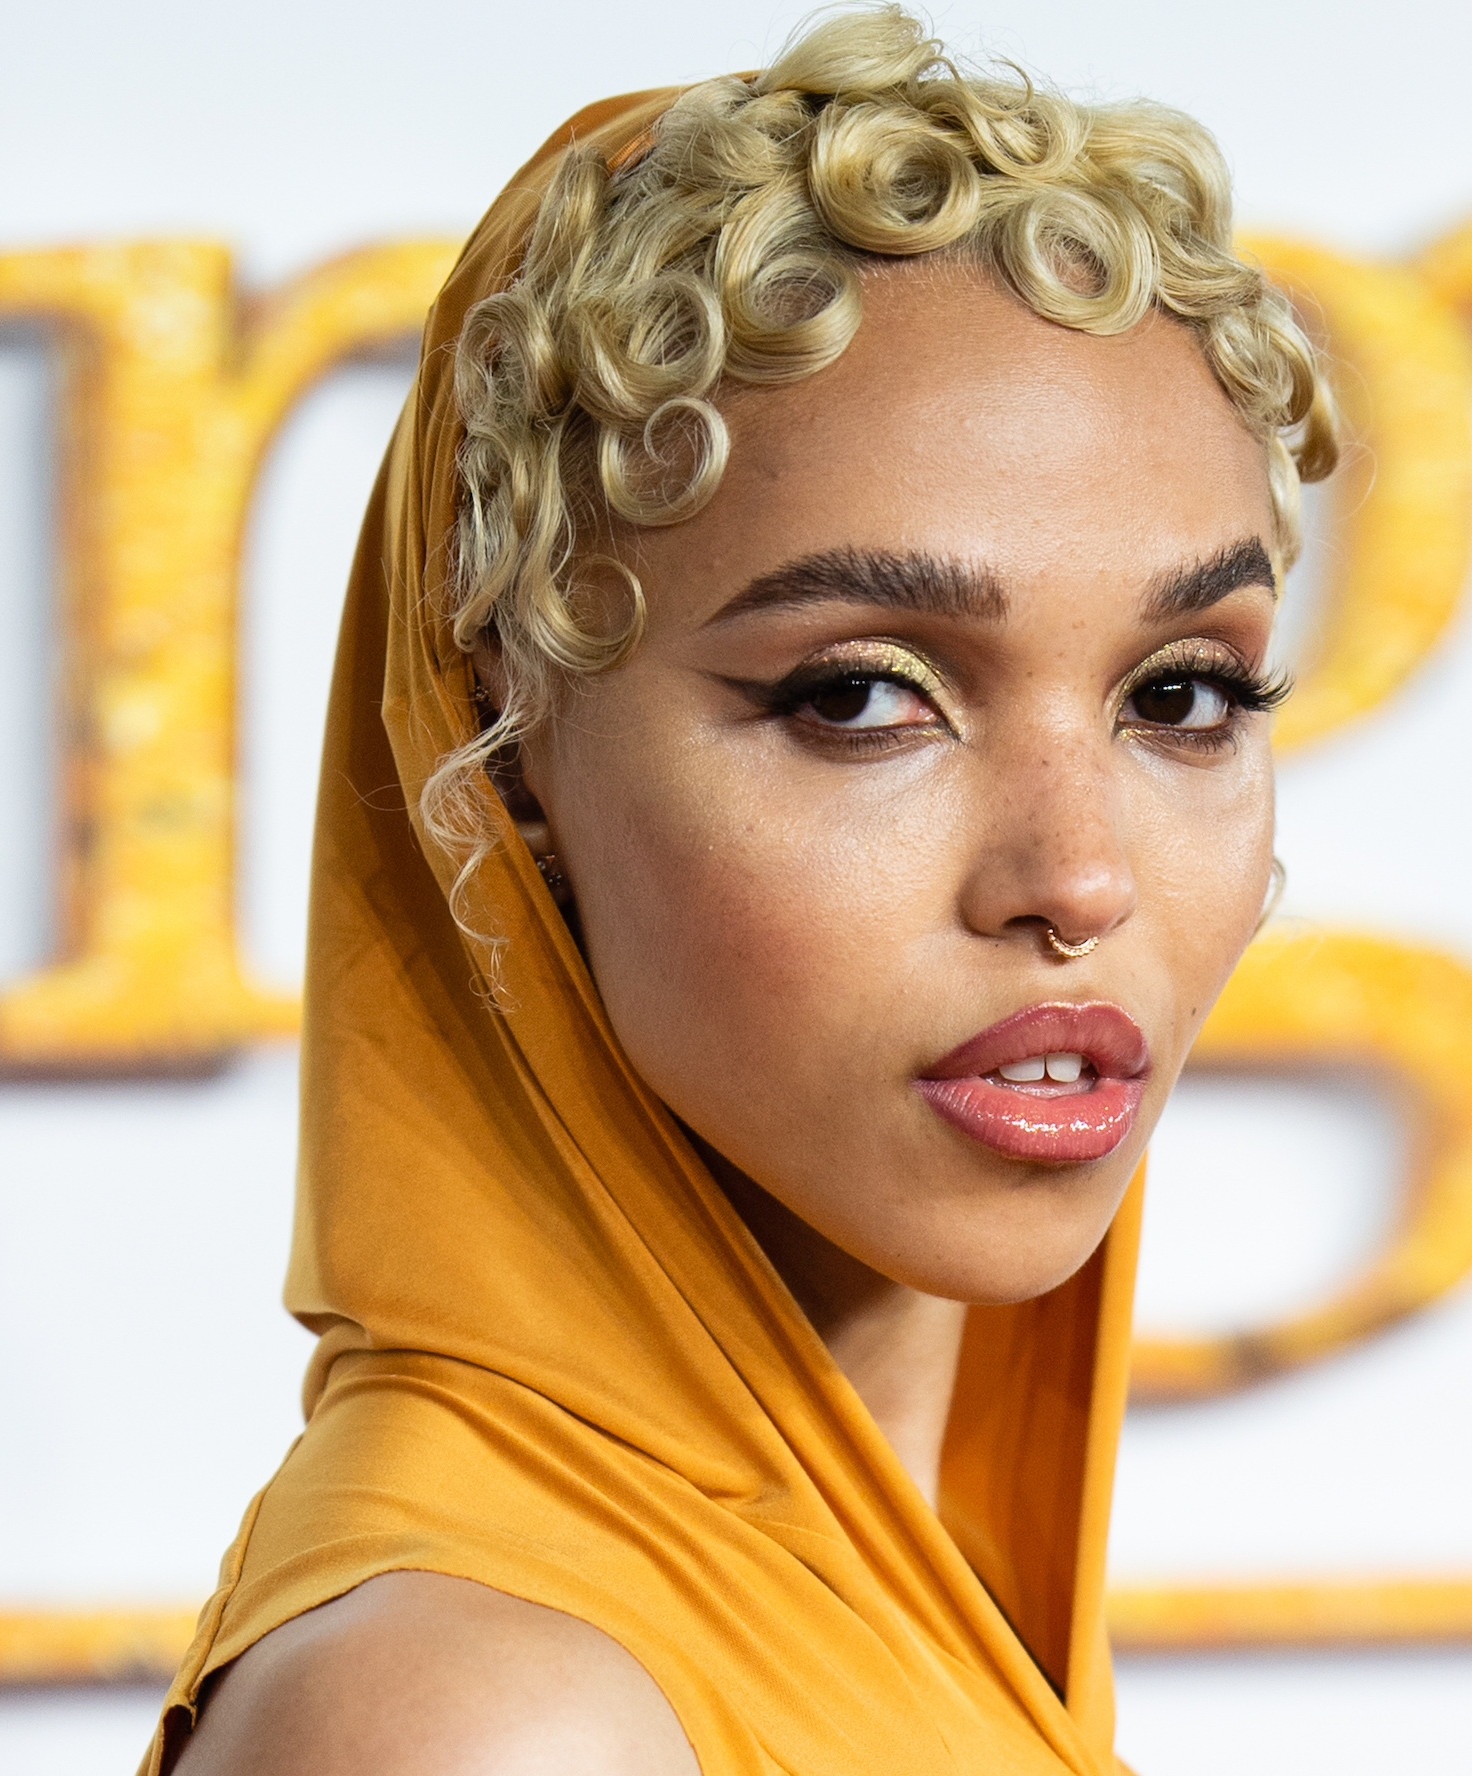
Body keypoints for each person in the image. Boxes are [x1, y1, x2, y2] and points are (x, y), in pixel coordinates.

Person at [156, 7, 1333, 1772]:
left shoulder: (901, 1598)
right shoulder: (492, 1722)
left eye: (1180, 695)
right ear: (506, 752)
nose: (1078, 878)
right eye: (859, 698)